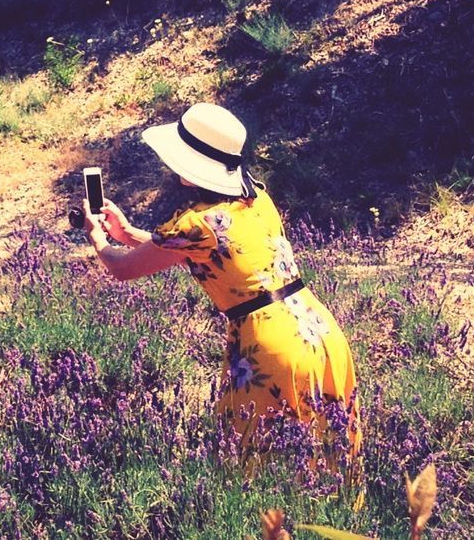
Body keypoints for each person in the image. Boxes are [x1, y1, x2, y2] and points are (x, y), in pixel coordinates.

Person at [80, 102, 361, 467]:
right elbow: (213, 249)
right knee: (327, 458)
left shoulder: (194, 223)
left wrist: (98, 238)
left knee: (252, 464)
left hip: (271, 346)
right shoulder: (257, 197)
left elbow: (122, 268)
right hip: (318, 330)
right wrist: (128, 232)